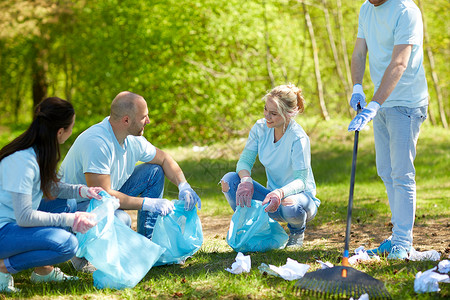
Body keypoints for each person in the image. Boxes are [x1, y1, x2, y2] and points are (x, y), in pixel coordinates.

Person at [39, 91, 201, 244]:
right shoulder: (98, 143)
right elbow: (102, 194)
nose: (148, 121)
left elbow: (164, 159)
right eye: (144, 117)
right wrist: (148, 203)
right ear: (126, 120)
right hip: (77, 204)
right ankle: (81, 247)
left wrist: (183, 185)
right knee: (122, 220)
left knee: (154, 171)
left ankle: (148, 241)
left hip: (107, 196)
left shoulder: (133, 139)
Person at [348, 0, 428, 260]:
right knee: (385, 170)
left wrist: (374, 104)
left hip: (406, 102)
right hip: (380, 102)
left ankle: (403, 243)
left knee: (402, 173)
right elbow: (359, 53)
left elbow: (399, 63)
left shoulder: (406, 11)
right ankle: (397, 238)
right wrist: (357, 87)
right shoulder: (366, 8)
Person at [0, 97, 104, 292]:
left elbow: (52, 188)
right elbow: (24, 217)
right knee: (67, 245)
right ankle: (2, 267)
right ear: (59, 132)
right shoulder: (23, 161)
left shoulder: (38, 153)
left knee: (68, 202)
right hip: (4, 230)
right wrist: (70, 220)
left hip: (12, 225)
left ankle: (43, 272)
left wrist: (83, 190)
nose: (71, 132)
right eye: (71, 127)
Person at [221, 84, 320, 248]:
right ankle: (259, 228)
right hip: (270, 199)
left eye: (273, 113)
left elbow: (301, 181)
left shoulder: (298, 138)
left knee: (289, 203)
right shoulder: (260, 128)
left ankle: (296, 233)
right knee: (230, 181)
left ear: (288, 114)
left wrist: (280, 193)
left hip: (300, 200)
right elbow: (244, 161)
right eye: (266, 109)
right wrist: (246, 180)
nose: (267, 116)